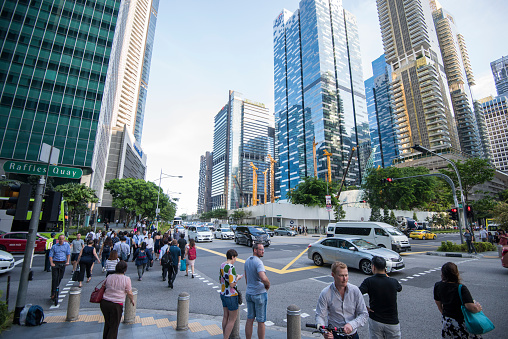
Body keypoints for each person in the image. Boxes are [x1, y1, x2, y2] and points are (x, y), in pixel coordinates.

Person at [315, 261, 368, 339]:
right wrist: (324, 331)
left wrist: (351, 325)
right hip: (335, 335)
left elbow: (364, 314)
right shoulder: (326, 293)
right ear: (333, 275)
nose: (345, 279)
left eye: (346, 275)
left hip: (353, 335)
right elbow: (319, 316)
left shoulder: (355, 290)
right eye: (341, 275)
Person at [434, 262, 483, 338]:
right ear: (456, 273)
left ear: (443, 274)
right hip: (461, 322)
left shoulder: (437, 285)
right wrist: (478, 308)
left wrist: (444, 313)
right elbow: (470, 306)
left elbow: (438, 302)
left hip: (447, 321)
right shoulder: (461, 288)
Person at [359, 256, 402, 339]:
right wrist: (386, 275)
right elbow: (399, 288)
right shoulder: (393, 282)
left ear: (373, 267)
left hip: (375, 320)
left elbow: (356, 294)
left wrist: (364, 307)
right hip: (392, 322)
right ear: (385, 268)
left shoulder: (369, 281)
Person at [100, 260, 135, 339]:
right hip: (116, 304)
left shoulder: (109, 276)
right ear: (125, 269)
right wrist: (132, 300)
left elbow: (103, 286)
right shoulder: (126, 279)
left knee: (108, 323)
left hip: (105, 302)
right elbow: (129, 292)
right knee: (114, 326)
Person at [244, 243, 270, 339]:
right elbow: (263, 277)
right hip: (259, 294)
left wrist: (250, 288)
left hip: (249, 293)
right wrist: (267, 284)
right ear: (255, 250)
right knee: (261, 321)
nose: (263, 251)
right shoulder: (258, 262)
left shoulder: (247, 261)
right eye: (261, 249)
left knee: (250, 319)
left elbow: (246, 278)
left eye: (263, 249)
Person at [220, 249, 243, 339]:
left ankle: (224, 336)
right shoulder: (231, 267)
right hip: (231, 295)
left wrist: (234, 276)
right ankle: (226, 338)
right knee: (232, 319)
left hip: (223, 293)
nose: (236, 259)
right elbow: (232, 284)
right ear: (232, 257)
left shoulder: (222, 265)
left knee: (225, 316)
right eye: (235, 257)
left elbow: (223, 278)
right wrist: (238, 278)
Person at [49, 234, 71, 301]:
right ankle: (53, 293)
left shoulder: (66, 245)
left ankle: (56, 288)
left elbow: (68, 254)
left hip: (63, 263)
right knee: (55, 278)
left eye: (62, 239)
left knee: (60, 277)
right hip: (56, 263)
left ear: (64, 239)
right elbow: (50, 255)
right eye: (60, 239)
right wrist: (51, 263)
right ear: (58, 239)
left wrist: (67, 261)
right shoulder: (54, 246)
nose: (61, 240)